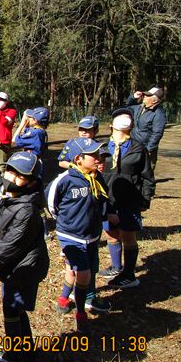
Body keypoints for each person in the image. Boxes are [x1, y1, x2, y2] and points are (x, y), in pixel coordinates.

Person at [0, 152, 49, 362]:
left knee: (12, 308)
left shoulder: (27, 210)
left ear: (32, 182)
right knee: (15, 306)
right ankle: (26, 349)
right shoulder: (9, 194)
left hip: (23, 268)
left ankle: (15, 355)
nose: (11, 178)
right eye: (10, 171)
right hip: (12, 268)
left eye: (20, 176)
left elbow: (10, 246)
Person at [46, 138, 111, 333]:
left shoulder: (97, 177)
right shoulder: (65, 180)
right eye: (94, 155)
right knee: (84, 273)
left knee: (71, 269)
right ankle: (80, 313)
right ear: (78, 159)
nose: (99, 158)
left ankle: (64, 299)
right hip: (71, 235)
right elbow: (51, 204)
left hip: (91, 234)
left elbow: (103, 200)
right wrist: (67, 223)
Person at [97, 109, 155, 289]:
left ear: (131, 125)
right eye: (118, 116)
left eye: (127, 116)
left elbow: (147, 176)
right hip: (108, 198)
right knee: (111, 233)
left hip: (129, 199)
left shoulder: (139, 148)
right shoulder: (103, 148)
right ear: (111, 124)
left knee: (128, 236)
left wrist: (145, 199)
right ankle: (116, 267)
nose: (123, 118)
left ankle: (129, 275)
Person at [125, 86, 167, 170]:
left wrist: (148, 149)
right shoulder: (139, 107)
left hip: (146, 149)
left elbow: (157, 134)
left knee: (146, 174)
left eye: (148, 95)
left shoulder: (158, 115)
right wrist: (132, 97)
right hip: (133, 146)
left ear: (154, 100)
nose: (144, 96)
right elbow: (127, 108)